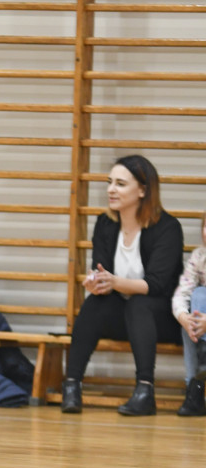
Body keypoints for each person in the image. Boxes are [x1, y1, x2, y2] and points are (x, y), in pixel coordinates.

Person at [61, 155, 185, 416]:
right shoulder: (105, 224)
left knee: (141, 303)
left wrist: (115, 282)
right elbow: (101, 269)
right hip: (125, 318)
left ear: (142, 190)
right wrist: (96, 283)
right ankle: (71, 385)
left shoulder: (168, 228)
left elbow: (157, 285)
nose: (111, 190)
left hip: (162, 319)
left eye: (120, 184)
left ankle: (144, 391)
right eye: (109, 182)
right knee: (95, 303)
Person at [171, 208, 206, 416]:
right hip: (201, 328)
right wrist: (185, 319)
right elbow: (181, 293)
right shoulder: (199, 256)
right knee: (198, 296)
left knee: (201, 294)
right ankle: (194, 389)